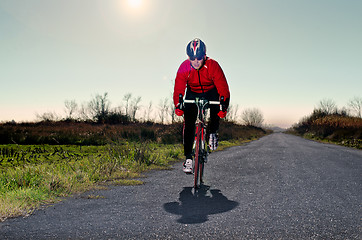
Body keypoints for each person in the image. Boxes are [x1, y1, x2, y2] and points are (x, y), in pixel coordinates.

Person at [173, 38, 230, 173]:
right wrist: (178, 105)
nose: (196, 62)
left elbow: (223, 87)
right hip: (193, 92)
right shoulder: (184, 67)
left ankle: (212, 133)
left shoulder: (213, 65)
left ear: (204, 55)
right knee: (188, 122)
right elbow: (179, 88)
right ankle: (188, 158)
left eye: (199, 58)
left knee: (217, 107)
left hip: (211, 91)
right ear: (188, 57)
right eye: (192, 58)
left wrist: (224, 106)